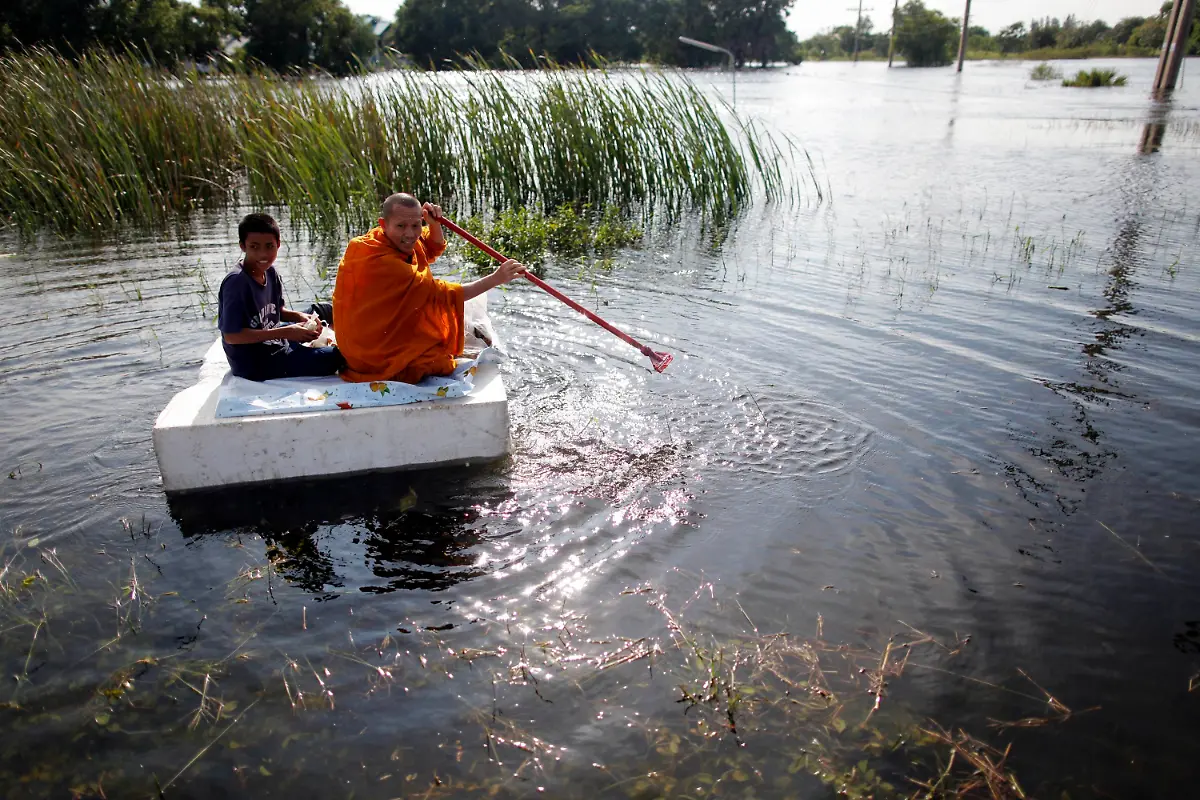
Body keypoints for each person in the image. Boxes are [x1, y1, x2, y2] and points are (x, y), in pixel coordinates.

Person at [333, 193, 525, 384]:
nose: (410, 234)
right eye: (401, 226)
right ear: (383, 224)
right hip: (370, 355)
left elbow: (431, 246)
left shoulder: (385, 238)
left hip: (381, 329)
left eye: (416, 225)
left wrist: (433, 224)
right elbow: (445, 295)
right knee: (438, 361)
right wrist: (496, 278)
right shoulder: (379, 258)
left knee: (435, 335)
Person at [218, 213, 345, 382]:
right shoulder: (237, 283)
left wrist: (298, 317)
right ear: (243, 246)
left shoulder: (270, 273)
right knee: (339, 357)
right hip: (258, 363)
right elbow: (231, 336)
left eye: (269, 246)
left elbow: (277, 311)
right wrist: (287, 332)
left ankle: (340, 338)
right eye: (254, 247)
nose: (263, 254)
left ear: (278, 244)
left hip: (276, 339)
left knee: (324, 310)